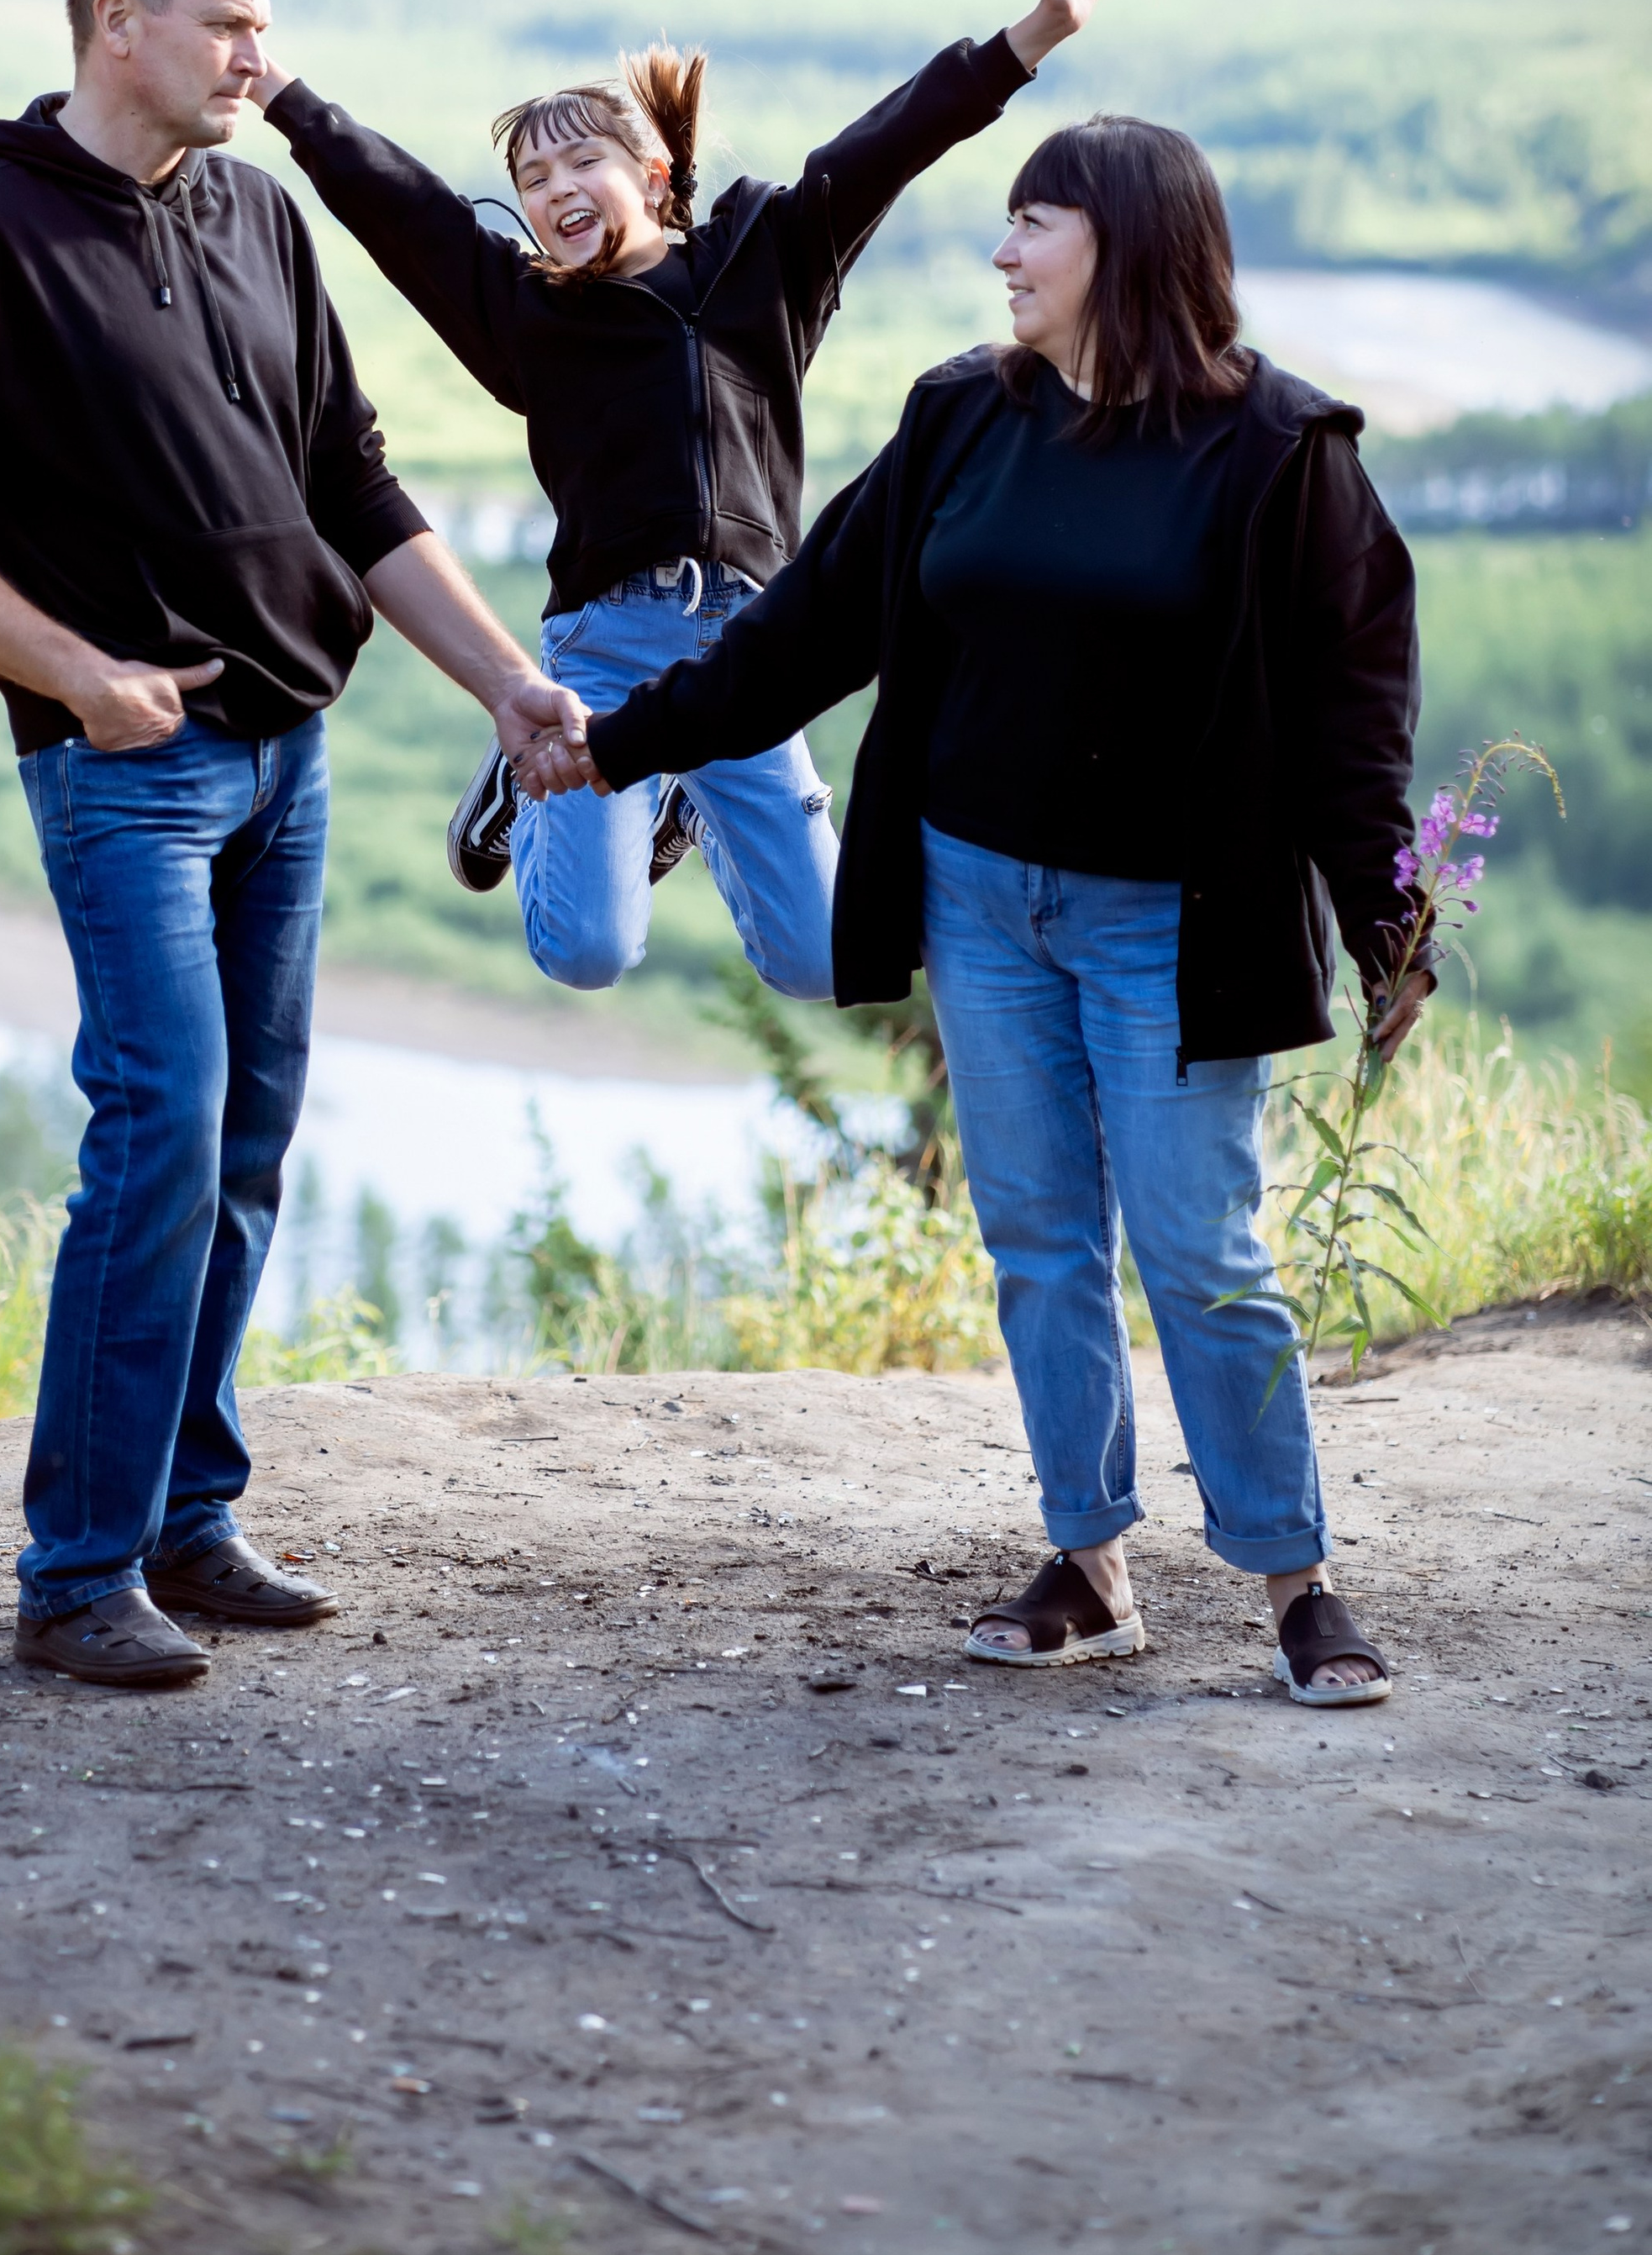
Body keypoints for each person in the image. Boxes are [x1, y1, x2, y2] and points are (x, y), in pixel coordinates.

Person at [560, 112, 1432, 1706]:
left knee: (1201, 1248)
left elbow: (1352, 712)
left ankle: (1295, 1575)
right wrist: (619, 742)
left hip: (1169, 922)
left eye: (1035, 223)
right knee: (1040, 1238)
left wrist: (1391, 917)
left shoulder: (1282, 453)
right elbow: (810, 627)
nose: (1003, 252)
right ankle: (1091, 1561)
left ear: (1133, 244)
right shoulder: (966, 414)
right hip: (978, 896)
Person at [0, 0, 591, 1691]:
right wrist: (81, 679)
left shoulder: (257, 210)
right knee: (159, 1127)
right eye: (231, 25)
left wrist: (502, 683)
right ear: (118, 24)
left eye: (264, 27)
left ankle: (187, 1515)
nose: (262, 55)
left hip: (289, 752)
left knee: (243, 1140)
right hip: (130, 773)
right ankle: (75, 1568)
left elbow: (356, 486)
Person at [245, 0, 1115, 1002]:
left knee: (826, 959)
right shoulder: (525, 315)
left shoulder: (772, 258)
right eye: (533, 179)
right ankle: (523, 788)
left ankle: (679, 794)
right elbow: (403, 208)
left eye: (579, 163)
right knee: (588, 952)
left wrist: (1030, 37)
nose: (555, 191)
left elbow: (894, 136)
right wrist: (286, 98)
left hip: (754, 655)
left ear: (654, 171)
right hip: (604, 653)